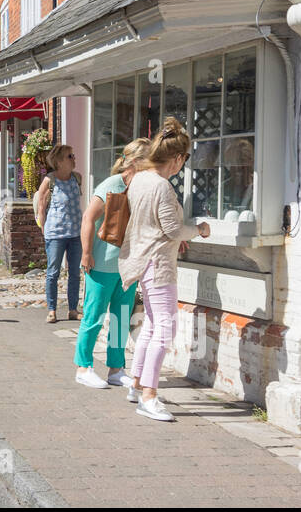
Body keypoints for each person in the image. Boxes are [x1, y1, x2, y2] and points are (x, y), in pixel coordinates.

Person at [119, 117, 210, 421]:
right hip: (159, 264)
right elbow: (172, 229)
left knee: (151, 326)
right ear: (176, 158)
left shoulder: (140, 179)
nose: (182, 165)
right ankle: (150, 396)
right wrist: (199, 229)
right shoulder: (161, 186)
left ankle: (135, 384)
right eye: (183, 159)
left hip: (143, 259)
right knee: (165, 329)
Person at [75, 138, 149, 389]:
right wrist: (86, 254)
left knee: (120, 318)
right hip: (102, 264)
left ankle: (116, 369)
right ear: (137, 162)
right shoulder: (112, 184)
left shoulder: (140, 188)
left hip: (126, 266)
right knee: (94, 316)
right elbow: (88, 218)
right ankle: (83, 367)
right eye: (149, 162)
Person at [34, 143, 82, 324]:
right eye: (70, 156)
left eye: (73, 155)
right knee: (53, 272)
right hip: (55, 233)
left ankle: (72, 309)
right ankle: (52, 310)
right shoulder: (50, 180)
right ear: (59, 161)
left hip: (75, 232)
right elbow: (41, 206)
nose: (74, 158)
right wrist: (44, 229)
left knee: (75, 273)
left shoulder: (77, 178)